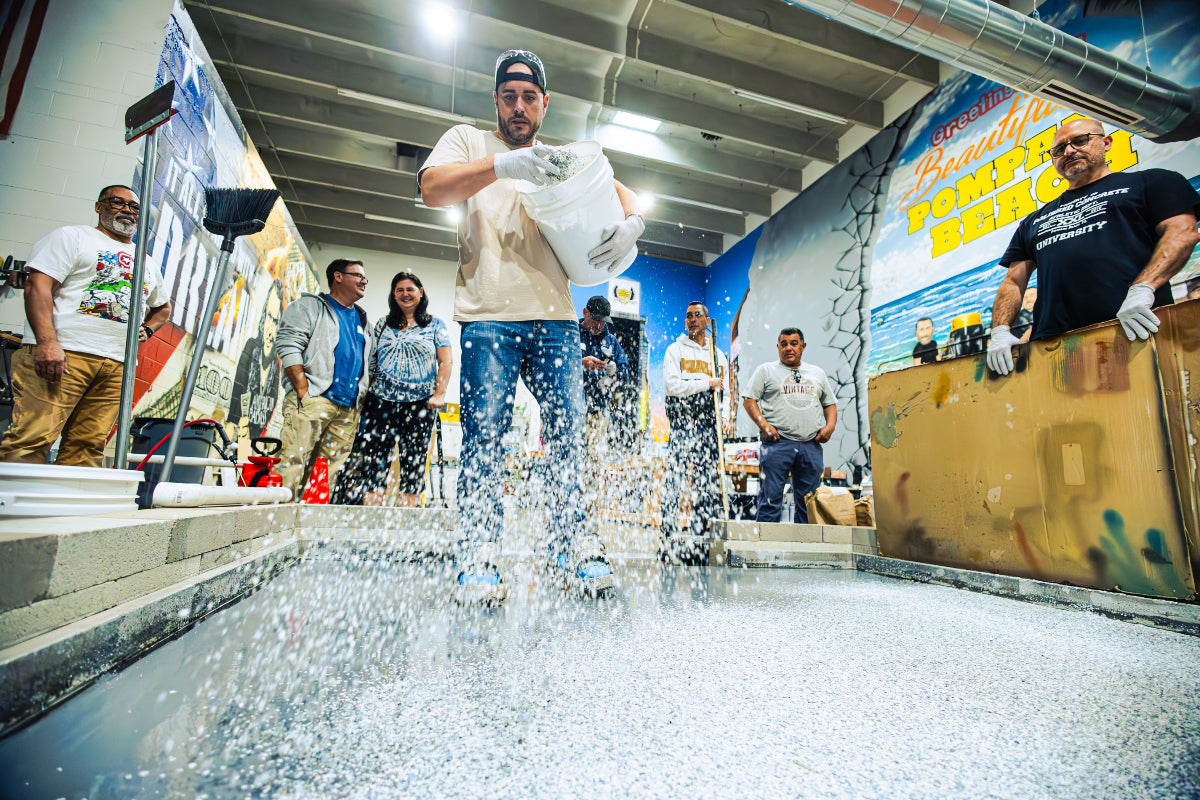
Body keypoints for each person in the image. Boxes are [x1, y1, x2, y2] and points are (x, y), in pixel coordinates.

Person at [419, 48, 643, 603]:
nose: (518, 107)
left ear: (545, 104)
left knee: (567, 440)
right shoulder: (469, 142)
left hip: (556, 320)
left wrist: (635, 220)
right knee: (484, 440)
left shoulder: (561, 158)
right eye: (508, 96)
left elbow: (620, 190)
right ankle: (479, 554)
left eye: (529, 97)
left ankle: (573, 544)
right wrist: (500, 166)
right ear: (496, 100)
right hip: (488, 317)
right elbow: (430, 189)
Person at [987, 118, 1200, 375]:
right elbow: (1013, 280)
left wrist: (1143, 289)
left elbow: (1182, 233)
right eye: (1059, 149)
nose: (1068, 151)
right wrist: (999, 330)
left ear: (1106, 142)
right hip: (1053, 349)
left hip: (1133, 330)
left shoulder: (1152, 182)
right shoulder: (1033, 221)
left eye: (1079, 141)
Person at [0, 185, 171, 466]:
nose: (127, 210)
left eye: (134, 207)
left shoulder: (147, 262)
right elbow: (36, 286)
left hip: (117, 365)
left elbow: (163, 307)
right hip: (65, 354)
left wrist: (148, 329)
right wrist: (47, 343)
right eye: (117, 202)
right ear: (99, 206)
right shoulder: (73, 237)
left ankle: (62, 510)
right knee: (31, 439)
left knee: (87, 448)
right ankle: (11, 508)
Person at [332, 271, 452, 507]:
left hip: (420, 403)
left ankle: (406, 520)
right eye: (399, 290)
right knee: (373, 460)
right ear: (393, 295)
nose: (405, 294)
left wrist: (440, 394)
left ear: (421, 292)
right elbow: (372, 362)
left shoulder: (435, 324)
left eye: (410, 289)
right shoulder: (382, 324)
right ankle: (371, 516)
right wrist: (365, 394)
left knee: (414, 460)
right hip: (381, 401)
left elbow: (445, 361)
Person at [274, 258, 372, 499]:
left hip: (348, 408)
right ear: (338, 276)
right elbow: (288, 344)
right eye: (358, 275)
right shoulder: (309, 306)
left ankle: (309, 528)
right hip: (314, 398)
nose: (363, 281)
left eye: (365, 278)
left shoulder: (362, 318)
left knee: (327, 474)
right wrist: (303, 390)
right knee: (292, 462)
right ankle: (277, 523)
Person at [742, 328, 838, 524]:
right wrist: (764, 425)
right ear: (778, 347)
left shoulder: (817, 373)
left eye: (794, 343)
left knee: (809, 503)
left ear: (803, 346)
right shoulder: (766, 370)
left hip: (811, 444)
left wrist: (830, 426)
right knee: (770, 501)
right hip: (778, 444)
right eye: (783, 344)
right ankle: (765, 552)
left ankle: (804, 551)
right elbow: (749, 400)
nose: (788, 348)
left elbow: (829, 403)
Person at [660, 301, 732, 561]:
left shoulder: (717, 355)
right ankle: (666, 538)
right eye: (688, 315)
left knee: (705, 483)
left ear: (707, 320)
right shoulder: (675, 350)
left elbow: (725, 390)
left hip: (708, 427)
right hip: (682, 424)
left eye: (697, 315)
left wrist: (724, 417)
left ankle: (701, 537)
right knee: (675, 482)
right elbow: (672, 386)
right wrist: (706, 383)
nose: (692, 319)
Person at [579, 295, 631, 511]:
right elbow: (556, 363)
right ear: (585, 313)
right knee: (570, 455)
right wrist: (580, 363)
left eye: (603, 321)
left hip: (597, 412)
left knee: (593, 460)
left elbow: (626, 372)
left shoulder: (611, 341)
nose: (599, 325)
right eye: (595, 319)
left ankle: (588, 509)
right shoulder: (571, 333)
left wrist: (615, 372)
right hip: (571, 409)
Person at [230, 279, 283, 442]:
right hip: (242, 429)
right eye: (269, 317)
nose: (270, 328)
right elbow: (237, 391)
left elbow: (273, 400)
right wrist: (234, 424)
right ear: (263, 318)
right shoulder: (252, 346)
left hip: (260, 434)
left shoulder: (277, 360)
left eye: (275, 321)